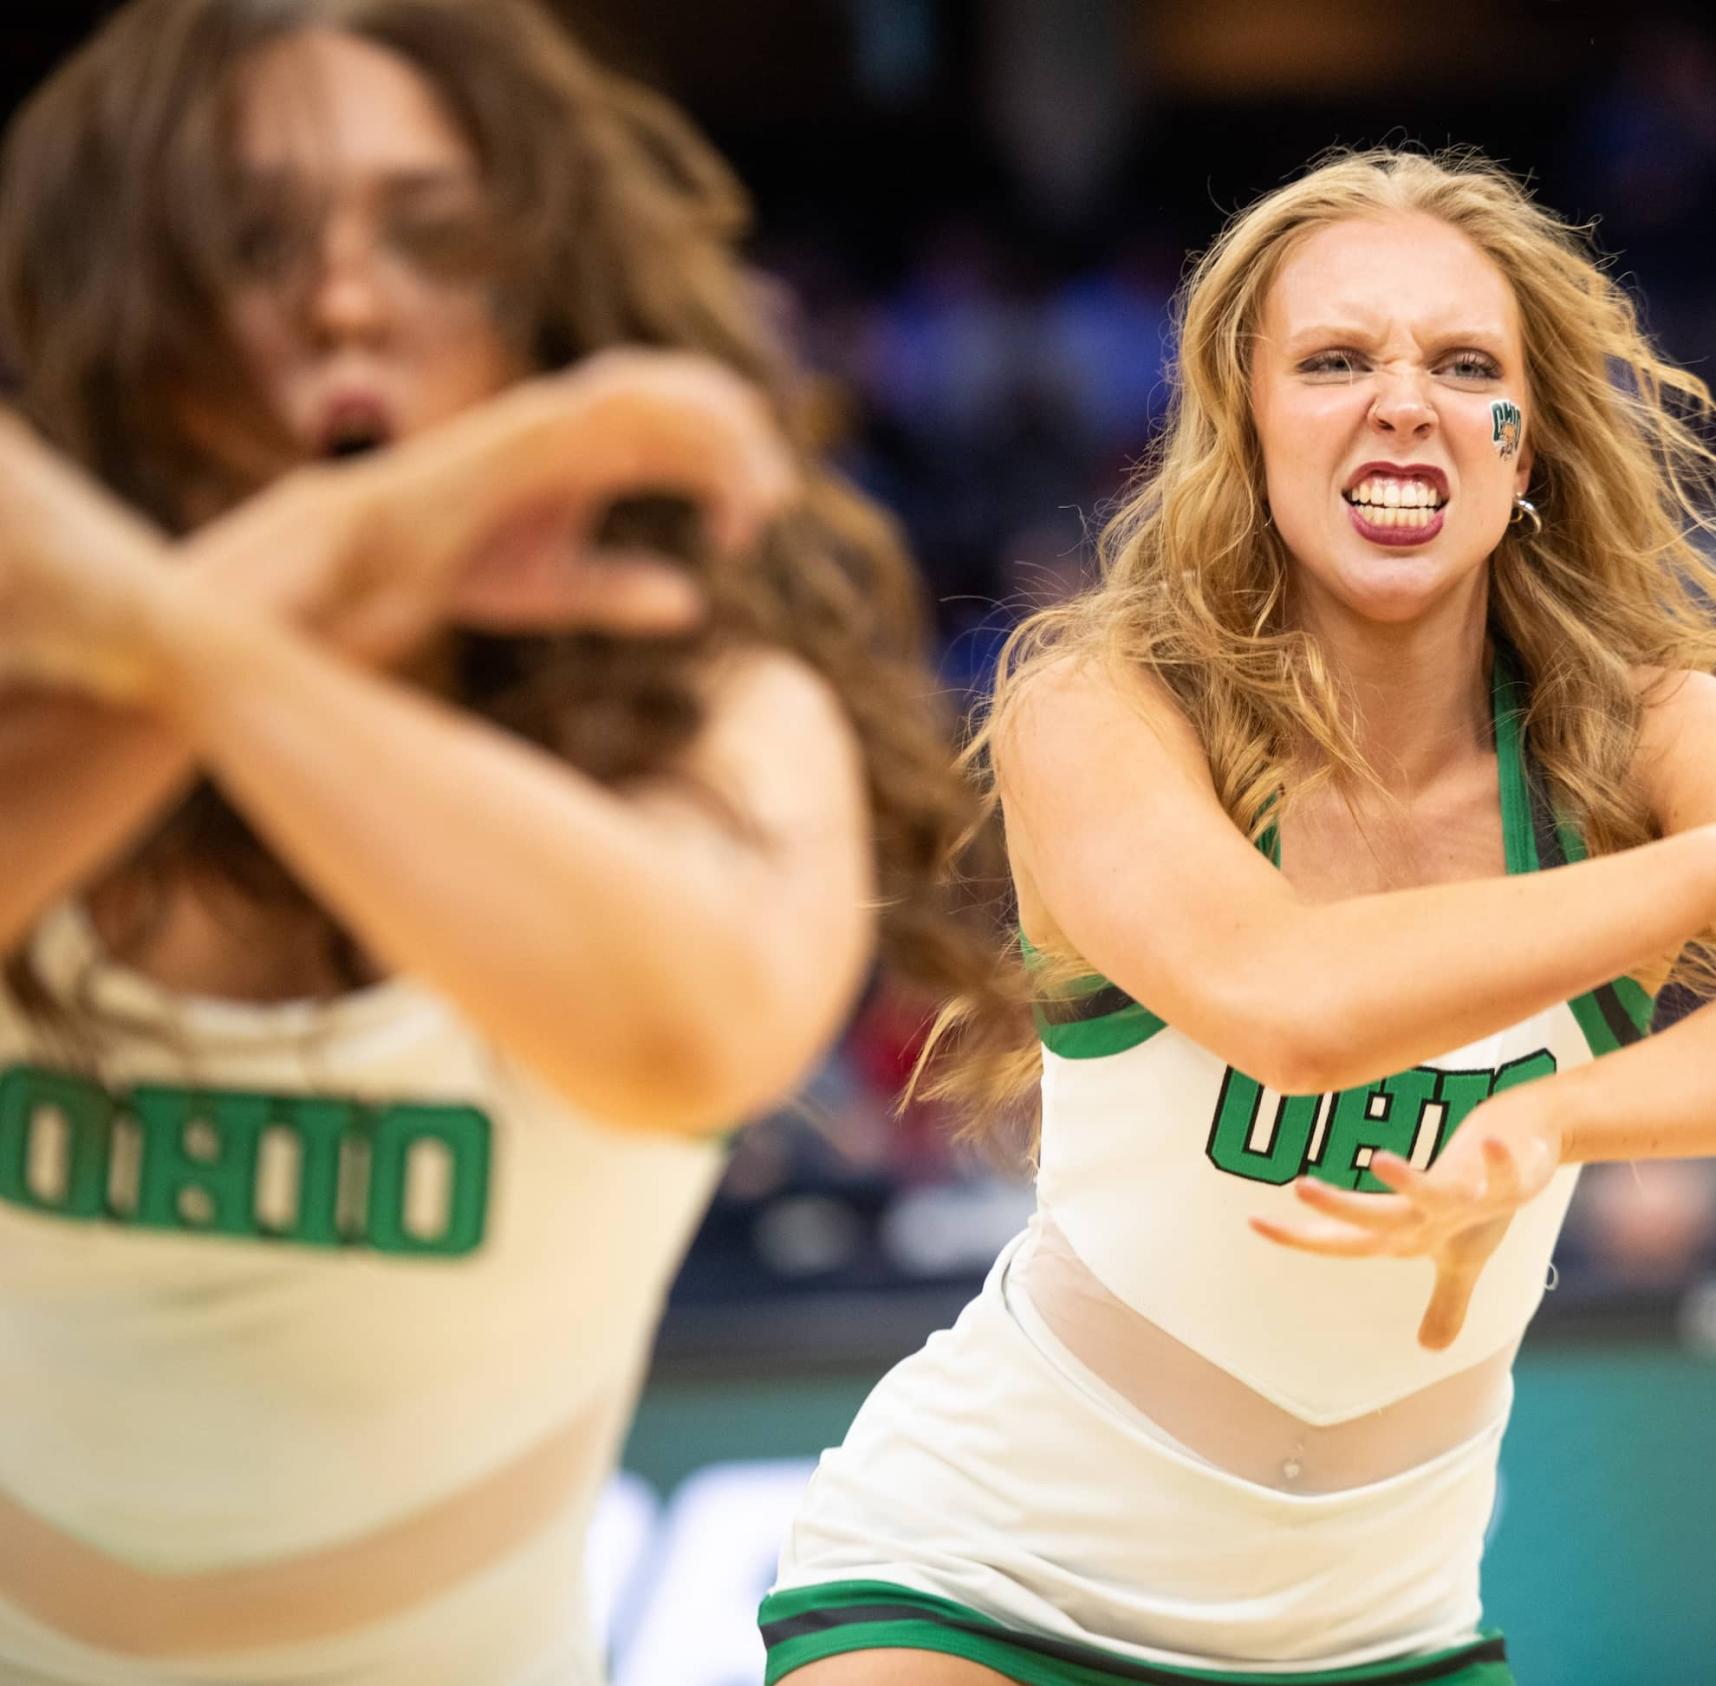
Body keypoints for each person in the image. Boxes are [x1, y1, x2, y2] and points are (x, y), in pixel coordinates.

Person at [761, 147, 1716, 1686]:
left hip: (1383, 1633)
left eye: (1466, 365)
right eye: (1335, 360)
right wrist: (1708, 873)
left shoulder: (1643, 731)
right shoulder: (1100, 696)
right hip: (989, 1583)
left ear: (1525, 453)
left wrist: (1555, 1119)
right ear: (1245, 429)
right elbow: (1283, 1001)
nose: (1404, 400)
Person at [0, 1, 1012, 1680]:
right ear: (132, 298)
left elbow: (691, 1029)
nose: (342, 296)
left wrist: (192, 589)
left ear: (537, 294)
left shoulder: (712, 712)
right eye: (250, 239)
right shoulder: (46, 716)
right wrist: (340, 560)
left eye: (435, 235)